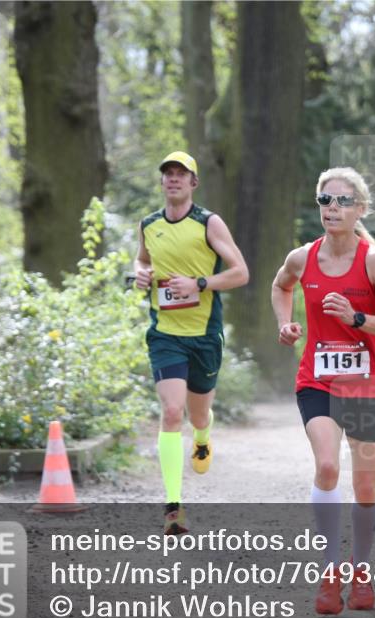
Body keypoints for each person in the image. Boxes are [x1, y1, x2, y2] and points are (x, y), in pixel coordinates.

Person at [271, 167, 375, 614]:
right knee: (328, 466)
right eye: (325, 200)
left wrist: (357, 318)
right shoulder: (302, 258)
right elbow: (280, 285)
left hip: (367, 385)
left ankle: (361, 570)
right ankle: (330, 571)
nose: (332, 208)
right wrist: (285, 323)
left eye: (343, 201)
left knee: (365, 488)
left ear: (360, 209)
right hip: (318, 380)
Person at [134, 151, 249, 535]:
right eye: (167, 173)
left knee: (197, 415)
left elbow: (240, 273)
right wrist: (141, 274)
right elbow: (142, 261)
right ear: (161, 181)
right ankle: (173, 508)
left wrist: (200, 283)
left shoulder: (208, 223)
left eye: (181, 174)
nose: (173, 179)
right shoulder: (149, 224)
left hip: (203, 336)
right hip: (165, 334)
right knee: (171, 412)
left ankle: (202, 434)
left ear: (193, 182)